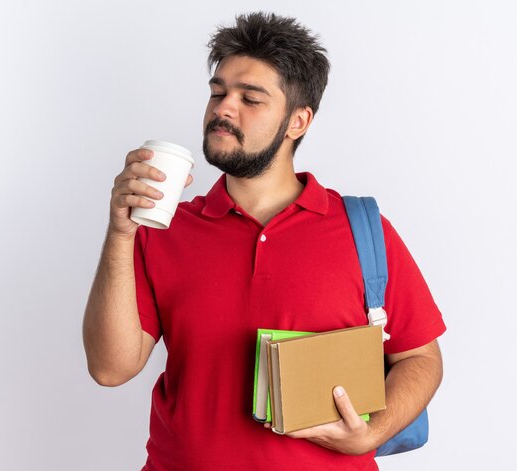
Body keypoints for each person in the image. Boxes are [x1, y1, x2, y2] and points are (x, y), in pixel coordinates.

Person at [83, 12, 445, 471]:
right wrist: (120, 231)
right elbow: (110, 368)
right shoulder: (166, 229)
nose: (224, 108)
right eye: (218, 93)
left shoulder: (363, 229)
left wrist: (370, 434)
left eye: (250, 98)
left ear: (298, 121)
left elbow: (420, 356)